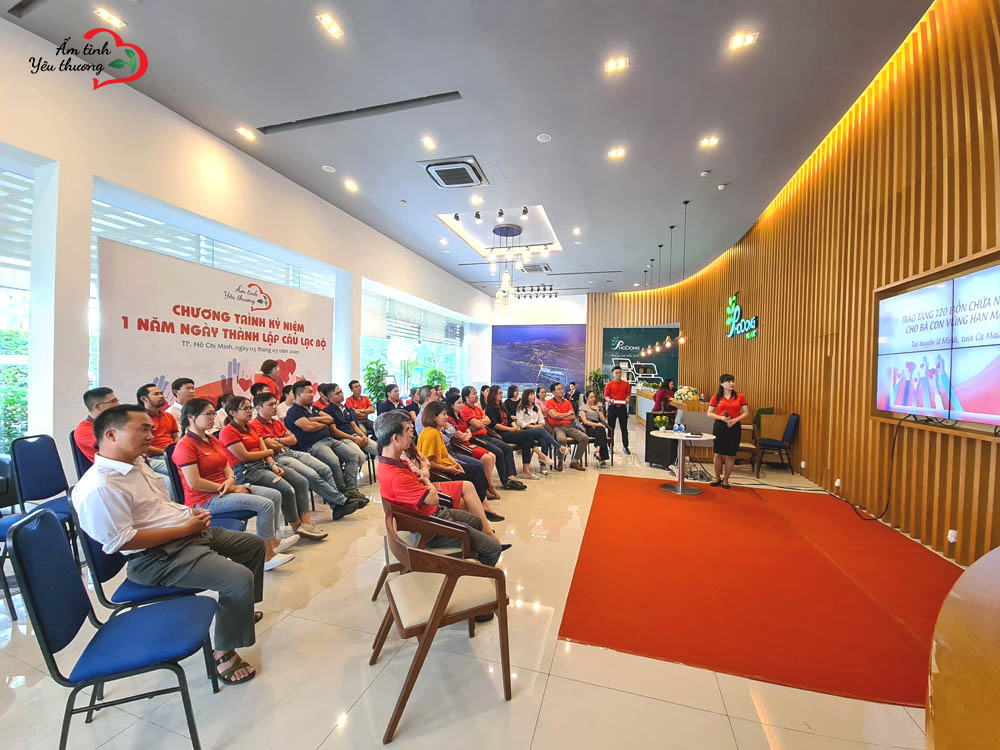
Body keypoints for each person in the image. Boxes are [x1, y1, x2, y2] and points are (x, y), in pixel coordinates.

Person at [73, 404, 265, 685]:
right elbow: (123, 541)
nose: (151, 436)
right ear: (111, 435)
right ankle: (224, 652)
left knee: (252, 545)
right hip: (157, 557)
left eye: (151, 429)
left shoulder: (137, 464)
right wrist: (184, 528)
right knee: (238, 579)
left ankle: (239, 612)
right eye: (143, 429)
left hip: (184, 533)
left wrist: (187, 515)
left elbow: (158, 506)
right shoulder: (101, 487)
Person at [375, 410, 508, 569]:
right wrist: (427, 481)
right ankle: (480, 573)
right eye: (407, 431)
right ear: (395, 438)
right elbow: (433, 498)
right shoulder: (395, 475)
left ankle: (475, 552)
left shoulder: (392, 462)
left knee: (477, 521)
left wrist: (425, 481)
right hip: (430, 526)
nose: (412, 435)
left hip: (431, 513)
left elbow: (421, 476)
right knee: (492, 548)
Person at [173, 398, 296, 571]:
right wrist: (231, 487)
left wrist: (231, 480)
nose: (212, 417)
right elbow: (195, 482)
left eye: (213, 413)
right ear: (191, 417)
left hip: (226, 489)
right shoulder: (185, 446)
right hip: (205, 499)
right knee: (265, 504)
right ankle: (266, 557)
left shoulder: (211, 439)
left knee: (274, 495)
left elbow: (226, 466)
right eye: (208, 414)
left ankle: (273, 542)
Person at [219, 396, 327, 541]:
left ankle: (306, 524)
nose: (250, 411)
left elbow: (263, 447)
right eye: (245, 409)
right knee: (286, 489)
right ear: (232, 413)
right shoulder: (228, 432)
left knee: (301, 482)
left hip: (264, 464)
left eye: (250, 408)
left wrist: (272, 464)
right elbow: (245, 456)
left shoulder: (251, 427)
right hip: (247, 470)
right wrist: (270, 451)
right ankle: (297, 527)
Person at [250, 392, 359, 519]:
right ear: (258, 408)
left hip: (290, 452)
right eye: (270, 405)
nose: (275, 407)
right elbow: (270, 444)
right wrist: (282, 440)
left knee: (325, 469)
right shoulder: (255, 425)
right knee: (311, 475)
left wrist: (278, 440)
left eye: (275, 403)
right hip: (277, 458)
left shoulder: (277, 422)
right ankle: (341, 502)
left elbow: (293, 440)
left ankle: (337, 506)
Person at [284, 381, 368, 502]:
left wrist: (313, 419)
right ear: (299, 394)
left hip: (330, 439)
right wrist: (322, 423)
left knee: (353, 456)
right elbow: (309, 427)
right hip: (314, 445)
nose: (313, 395)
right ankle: (342, 493)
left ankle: (351, 489)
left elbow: (330, 419)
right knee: (333, 461)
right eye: (309, 392)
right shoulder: (293, 412)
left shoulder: (314, 408)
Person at [417, 401, 496, 509]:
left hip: (447, 465)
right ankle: (481, 505)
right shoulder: (431, 433)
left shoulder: (436, 432)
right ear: (434, 417)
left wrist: (456, 464)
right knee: (476, 471)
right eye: (444, 414)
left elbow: (445, 454)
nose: (447, 417)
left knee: (476, 468)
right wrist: (449, 469)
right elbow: (428, 462)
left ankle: (482, 503)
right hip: (441, 470)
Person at [460, 385, 525, 490]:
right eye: (474, 393)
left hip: (486, 435)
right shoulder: (465, 409)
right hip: (476, 438)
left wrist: (479, 422)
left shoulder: (477, 408)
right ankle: (505, 481)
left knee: (507, 448)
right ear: (467, 397)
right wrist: (481, 422)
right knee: (498, 452)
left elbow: (488, 421)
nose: (476, 395)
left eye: (476, 393)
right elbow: (478, 425)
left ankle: (511, 477)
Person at [444, 394, 501, 499]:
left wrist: (466, 435)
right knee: (487, 459)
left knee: (492, 456)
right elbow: (460, 436)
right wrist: (466, 435)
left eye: (462, 402)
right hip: (459, 447)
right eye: (459, 403)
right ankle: (488, 487)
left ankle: (488, 485)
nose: (462, 405)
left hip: (468, 443)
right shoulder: (450, 419)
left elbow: (468, 431)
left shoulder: (460, 416)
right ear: (452, 405)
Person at [485, 385, 545, 480]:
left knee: (526, 443)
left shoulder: (502, 406)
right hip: (500, 434)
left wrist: (514, 427)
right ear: (493, 395)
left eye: (502, 393)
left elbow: (510, 419)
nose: (501, 395)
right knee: (527, 433)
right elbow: (495, 425)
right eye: (499, 393)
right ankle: (540, 454)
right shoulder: (490, 408)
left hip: (509, 431)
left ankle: (526, 471)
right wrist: (511, 429)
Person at [317, 382, 378, 462]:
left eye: (341, 392)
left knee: (380, 450)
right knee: (361, 457)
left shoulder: (346, 409)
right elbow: (334, 431)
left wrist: (364, 436)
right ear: (329, 397)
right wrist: (354, 439)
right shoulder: (327, 411)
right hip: (343, 439)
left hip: (354, 436)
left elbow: (354, 426)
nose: (341, 394)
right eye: (337, 393)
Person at [707, 373, 749, 489]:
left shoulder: (740, 396)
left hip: (734, 426)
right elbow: (709, 413)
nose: (732, 383)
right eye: (729, 381)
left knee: (731, 454)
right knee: (718, 453)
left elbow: (746, 412)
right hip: (720, 426)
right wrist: (721, 418)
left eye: (733, 381)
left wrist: (735, 420)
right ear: (722, 383)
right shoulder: (716, 397)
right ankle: (717, 478)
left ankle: (726, 480)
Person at [514, 388, 565, 474]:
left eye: (533, 394)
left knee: (544, 441)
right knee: (541, 430)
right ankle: (558, 446)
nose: (533, 396)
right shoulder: (521, 408)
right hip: (526, 430)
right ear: (526, 397)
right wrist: (534, 427)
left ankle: (543, 465)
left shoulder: (536, 407)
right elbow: (520, 423)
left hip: (537, 429)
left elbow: (541, 419)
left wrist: (540, 424)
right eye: (531, 395)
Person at [136, 383, 180, 479]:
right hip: (153, 457)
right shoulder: (139, 419)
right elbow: (142, 447)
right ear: (144, 399)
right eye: (156, 394)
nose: (161, 396)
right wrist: (166, 452)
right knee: (180, 467)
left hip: (172, 452)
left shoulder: (169, 416)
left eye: (161, 393)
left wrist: (177, 449)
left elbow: (175, 437)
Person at [546, 382, 588, 471]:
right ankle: (560, 461)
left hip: (569, 426)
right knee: (562, 439)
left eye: (562, 388)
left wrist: (560, 415)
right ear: (553, 392)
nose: (561, 391)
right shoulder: (549, 402)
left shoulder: (567, 402)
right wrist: (566, 414)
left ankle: (575, 461)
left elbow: (572, 416)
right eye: (559, 389)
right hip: (556, 427)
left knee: (584, 438)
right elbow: (554, 415)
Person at [74, 387, 120, 463]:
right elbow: (114, 446)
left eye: (117, 400)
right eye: (113, 401)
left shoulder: (115, 422)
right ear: (98, 406)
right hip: (112, 467)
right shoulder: (84, 429)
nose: (118, 405)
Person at [604, 366, 632, 455]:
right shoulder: (609, 384)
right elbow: (606, 396)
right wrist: (609, 400)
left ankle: (625, 446)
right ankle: (610, 446)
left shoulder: (626, 384)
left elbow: (628, 395)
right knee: (611, 428)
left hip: (622, 408)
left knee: (624, 428)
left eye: (620, 372)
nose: (618, 374)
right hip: (612, 407)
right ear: (613, 374)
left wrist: (627, 399)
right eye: (616, 373)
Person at [579, 390, 610, 467]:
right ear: (586, 398)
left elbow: (603, 420)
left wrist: (598, 410)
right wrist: (598, 425)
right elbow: (585, 422)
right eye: (591, 397)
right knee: (601, 431)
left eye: (594, 397)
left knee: (601, 431)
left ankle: (597, 452)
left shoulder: (596, 408)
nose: (593, 399)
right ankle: (601, 458)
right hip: (588, 427)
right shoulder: (583, 408)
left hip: (597, 427)